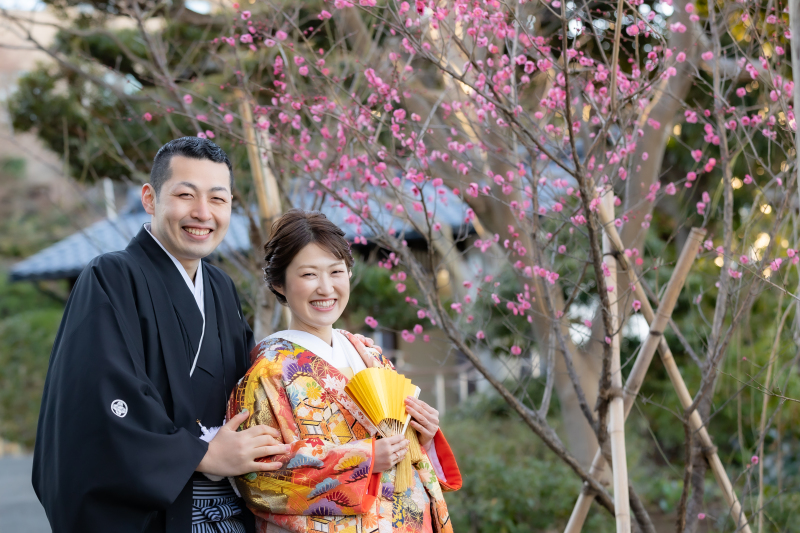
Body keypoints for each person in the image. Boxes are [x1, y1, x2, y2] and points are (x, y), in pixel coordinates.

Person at [34, 137, 287, 533]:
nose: (203, 213)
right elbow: (98, 401)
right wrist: (200, 455)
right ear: (150, 199)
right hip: (161, 517)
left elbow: (252, 389)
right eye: (186, 195)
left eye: (218, 199)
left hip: (233, 513)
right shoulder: (111, 277)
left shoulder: (220, 288)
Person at [227, 209, 462, 533]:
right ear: (279, 284)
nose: (326, 288)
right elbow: (259, 479)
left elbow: (406, 453)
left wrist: (422, 433)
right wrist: (362, 461)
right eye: (309, 275)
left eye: (336, 271)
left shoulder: (369, 354)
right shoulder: (267, 373)